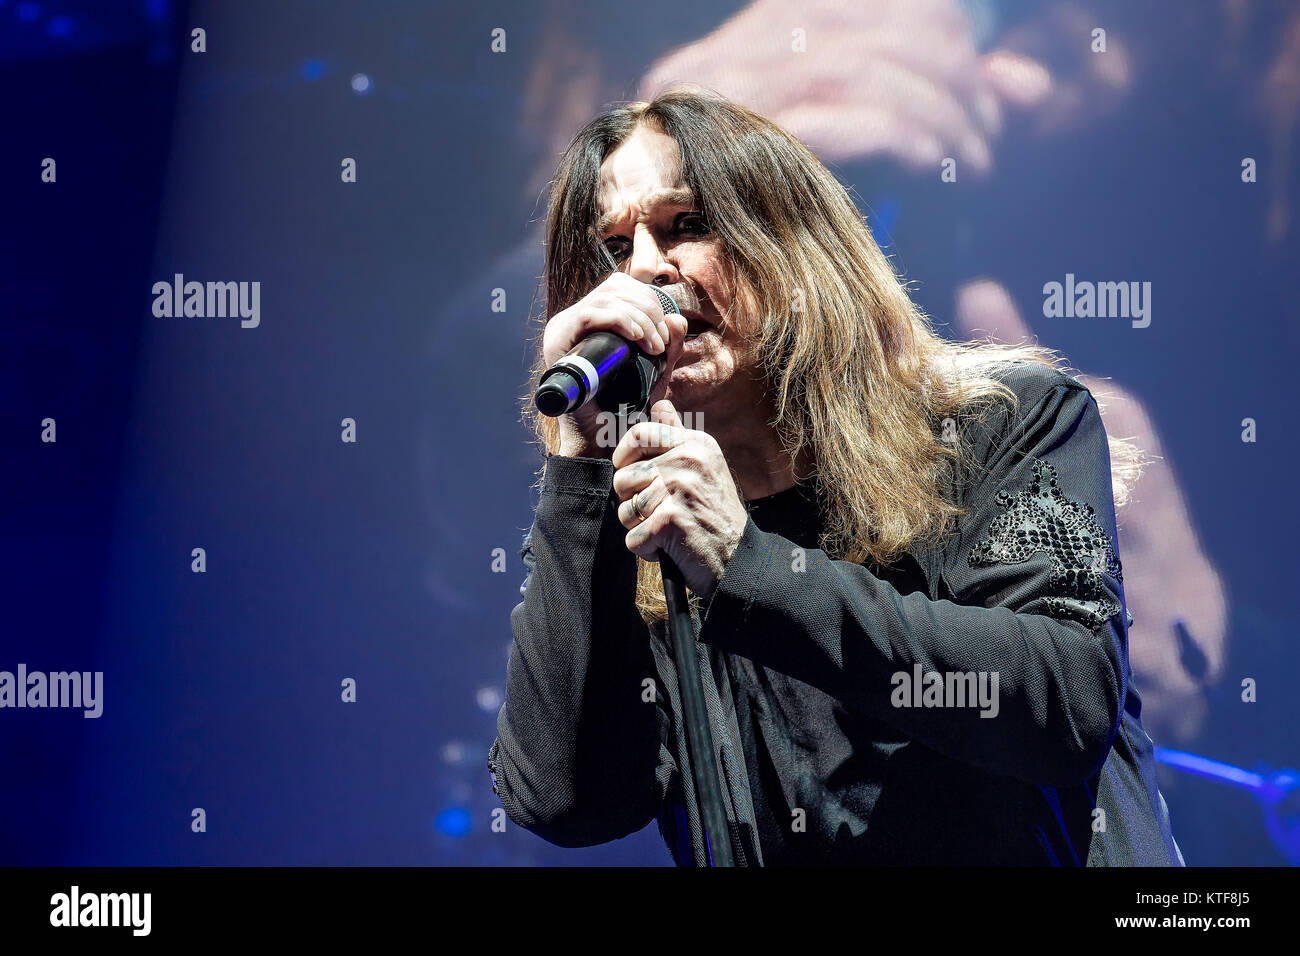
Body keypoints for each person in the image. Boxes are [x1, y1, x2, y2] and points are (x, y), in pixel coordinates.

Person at [487, 88, 1184, 866]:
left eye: (687, 225)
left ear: (791, 249)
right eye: (615, 250)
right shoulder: (642, 531)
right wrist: (579, 467)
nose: (646, 270)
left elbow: (1064, 704)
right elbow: (565, 800)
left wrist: (748, 569)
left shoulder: (1008, 423)